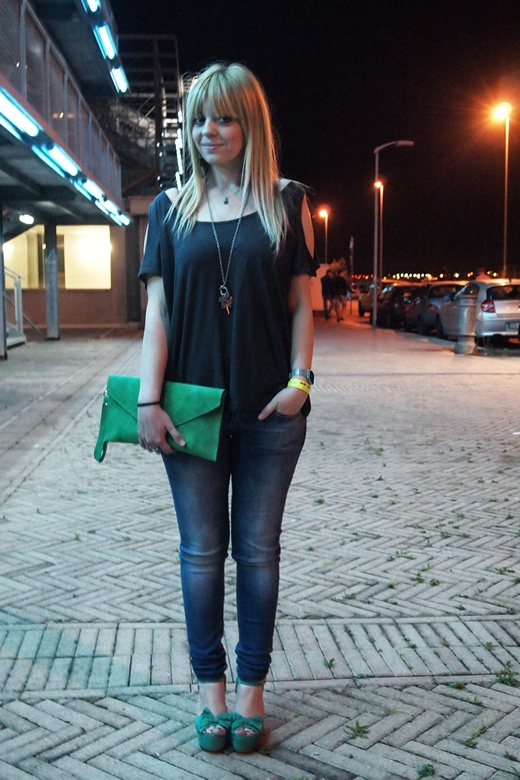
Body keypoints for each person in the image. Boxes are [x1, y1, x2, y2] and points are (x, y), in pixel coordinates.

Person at [137, 61, 318, 754]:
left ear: (251, 123)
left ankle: (251, 691)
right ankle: (210, 691)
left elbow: (302, 305)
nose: (207, 131)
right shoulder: (168, 209)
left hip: (271, 413)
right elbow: (158, 315)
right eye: (198, 120)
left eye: (223, 117)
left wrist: (300, 383)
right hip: (192, 413)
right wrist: (148, 399)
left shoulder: (288, 202)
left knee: (260, 553)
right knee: (201, 553)